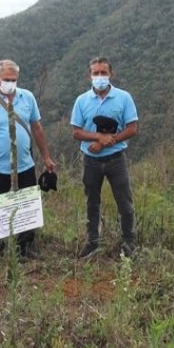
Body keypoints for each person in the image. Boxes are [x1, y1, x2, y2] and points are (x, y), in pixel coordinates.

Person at [0, 59, 55, 259]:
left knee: (26, 204)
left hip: (25, 164)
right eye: (6, 79)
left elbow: (37, 128)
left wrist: (47, 157)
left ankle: (25, 247)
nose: (10, 82)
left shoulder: (28, 98)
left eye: (13, 79)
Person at [71, 56, 139, 259]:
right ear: (89, 75)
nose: (99, 77)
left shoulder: (124, 98)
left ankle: (128, 242)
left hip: (116, 159)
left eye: (103, 73)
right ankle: (92, 243)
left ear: (111, 74)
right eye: (96, 73)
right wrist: (98, 136)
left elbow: (132, 128)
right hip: (90, 161)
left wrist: (108, 141)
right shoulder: (82, 101)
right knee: (92, 202)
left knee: (125, 203)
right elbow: (76, 132)